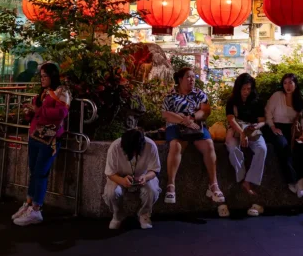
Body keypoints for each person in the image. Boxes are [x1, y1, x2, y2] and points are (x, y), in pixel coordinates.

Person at [12, 63, 71, 225]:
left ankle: (36, 209)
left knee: (40, 172)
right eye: (41, 76)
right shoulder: (44, 93)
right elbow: (38, 112)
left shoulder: (62, 92)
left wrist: (38, 110)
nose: (42, 79)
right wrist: (29, 112)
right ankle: (29, 203)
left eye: (45, 76)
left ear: (52, 76)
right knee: (33, 171)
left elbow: (61, 113)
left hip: (49, 138)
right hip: (35, 135)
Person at [162, 67, 225, 205]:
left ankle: (213, 184)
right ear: (180, 79)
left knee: (209, 144)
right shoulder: (171, 95)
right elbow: (165, 114)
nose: (192, 80)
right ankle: (171, 185)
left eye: (193, 77)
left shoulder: (199, 94)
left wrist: (192, 118)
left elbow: (205, 111)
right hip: (176, 126)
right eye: (188, 77)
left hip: (196, 127)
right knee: (175, 146)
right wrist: (184, 121)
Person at [102, 128, 161, 230]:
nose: (133, 154)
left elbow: (155, 170)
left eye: (136, 152)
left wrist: (145, 177)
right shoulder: (115, 147)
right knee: (111, 193)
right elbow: (110, 173)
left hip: (143, 175)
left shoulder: (150, 145)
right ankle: (118, 215)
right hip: (119, 176)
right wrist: (122, 181)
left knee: (152, 190)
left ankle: (144, 215)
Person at [225, 73, 266, 215]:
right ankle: (242, 177)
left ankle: (249, 180)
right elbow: (231, 120)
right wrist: (242, 133)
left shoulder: (256, 100)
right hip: (236, 129)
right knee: (232, 147)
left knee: (262, 149)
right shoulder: (232, 101)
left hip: (252, 129)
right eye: (244, 89)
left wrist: (255, 127)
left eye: (248, 89)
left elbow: (262, 120)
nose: (246, 92)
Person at [265, 73, 303, 197]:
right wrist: (273, 127)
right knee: (283, 146)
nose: (288, 86)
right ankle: (291, 180)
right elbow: (268, 112)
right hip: (276, 127)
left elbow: (302, 119)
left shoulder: (299, 100)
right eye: (285, 83)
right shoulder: (277, 96)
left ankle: (301, 180)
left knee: (301, 147)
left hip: (292, 129)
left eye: (290, 82)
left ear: (295, 84)